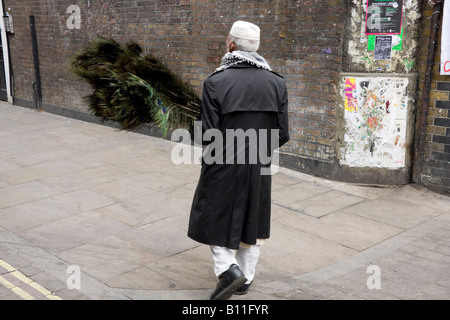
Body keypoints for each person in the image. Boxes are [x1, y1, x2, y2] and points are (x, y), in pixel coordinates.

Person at [187, 20, 290, 300]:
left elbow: (208, 133)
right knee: (253, 220)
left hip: (223, 162)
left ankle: (229, 270)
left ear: (231, 45)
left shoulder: (215, 82)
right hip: (259, 163)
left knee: (214, 215)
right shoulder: (277, 83)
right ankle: (245, 280)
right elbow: (282, 134)